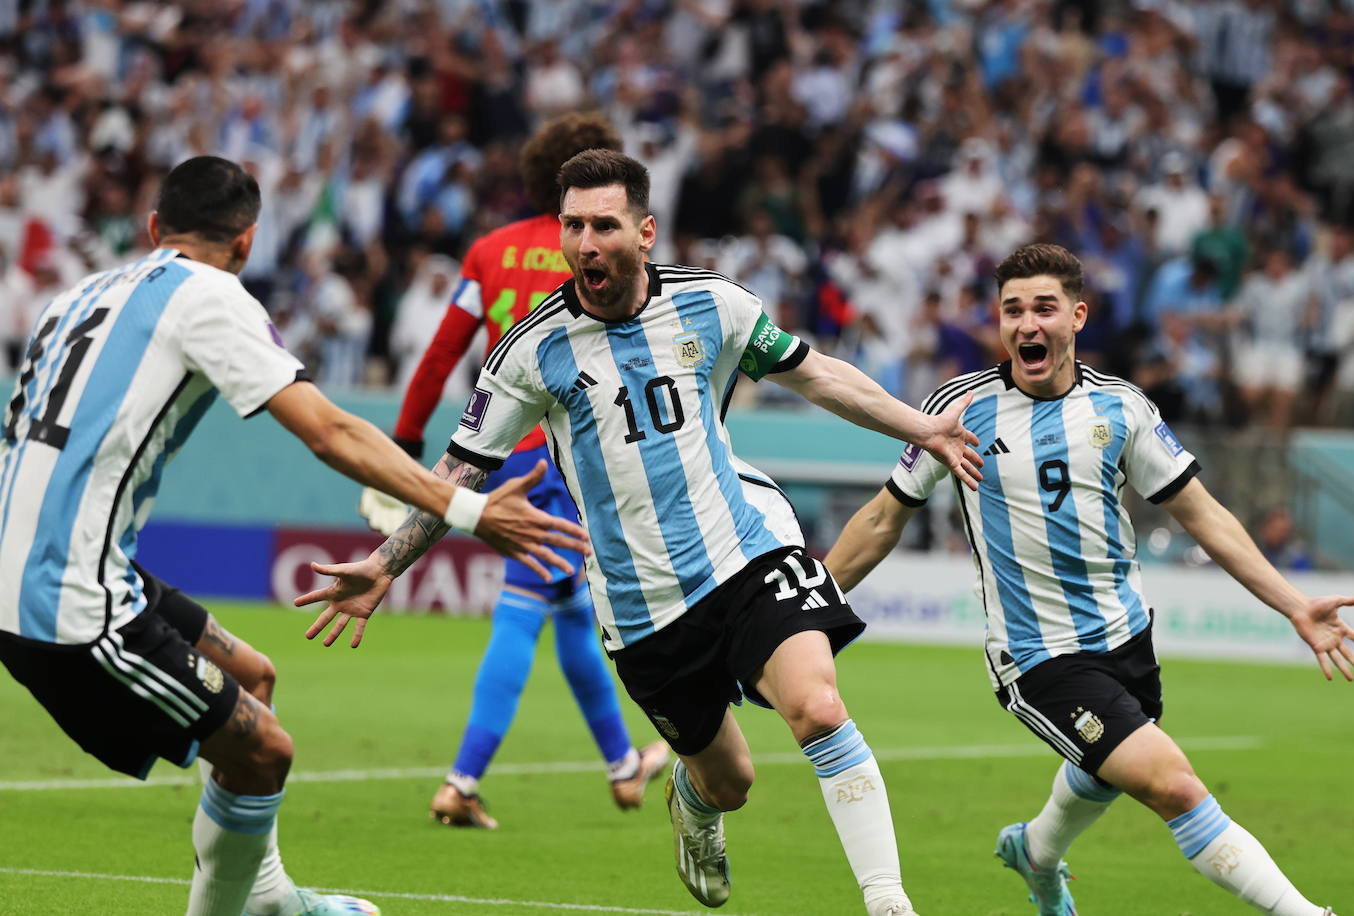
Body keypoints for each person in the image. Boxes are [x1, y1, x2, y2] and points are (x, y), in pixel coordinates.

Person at [298, 149, 985, 916]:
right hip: (640, 607)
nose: (586, 244)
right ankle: (694, 804)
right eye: (573, 227)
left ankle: (888, 903)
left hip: (743, 552)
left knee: (819, 708)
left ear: (646, 232)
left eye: (604, 226)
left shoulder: (714, 305)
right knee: (731, 780)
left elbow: (817, 372)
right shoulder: (531, 351)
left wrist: (923, 427)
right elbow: (459, 470)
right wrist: (388, 563)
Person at [0, 156, 587, 916]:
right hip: (63, 595)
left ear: (153, 228)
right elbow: (328, 430)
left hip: (51, 560)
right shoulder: (210, 294)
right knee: (267, 750)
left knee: (255, 681)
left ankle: (266, 894)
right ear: (246, 244)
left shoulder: (74, 296)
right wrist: (466, 509)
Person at [824, 243, 1354, 916]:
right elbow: (882, 521)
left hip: (1127, 637)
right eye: (1012, 310)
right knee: (1173, 784)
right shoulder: (958, 410)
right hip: (1038, 657)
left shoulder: (1122, 410)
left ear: (1077, 316)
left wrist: (1294, 604)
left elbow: (1204, 516)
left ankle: (1036, 852)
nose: (1027, 325)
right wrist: (803, 614)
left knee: (1104, 769)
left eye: (1044, 309)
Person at [359, 112, 669, 829]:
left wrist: (406, 443)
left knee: (565, 610)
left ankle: (623, 767)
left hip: (501, 455)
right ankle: (461, 781)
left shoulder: (490, 251)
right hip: (576, 454)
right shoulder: (614, 246)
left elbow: (441, 353)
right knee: (529, 606)